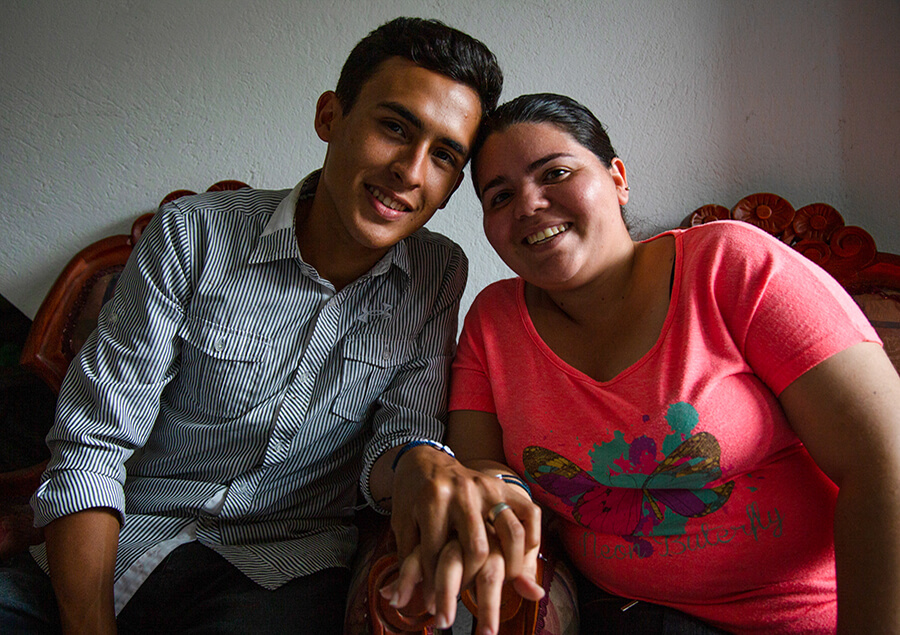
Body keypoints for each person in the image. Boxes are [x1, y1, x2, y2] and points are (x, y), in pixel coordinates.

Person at [0, 17, 507, 634]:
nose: (411, 170)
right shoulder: (194, 234)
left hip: (279, 572)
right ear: (330, 117)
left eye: (445, 156)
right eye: (394, 127)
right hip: (112, 547)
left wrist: (421, 461)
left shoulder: (437, 273)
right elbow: (91, 448)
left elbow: (397, 438)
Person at [435, 93, 900, 633]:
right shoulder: (492, 322)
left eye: (555, 173)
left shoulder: (730, 265)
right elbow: (483, 469)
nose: (529, 205)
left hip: (810, 613)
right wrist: (498, 509)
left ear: (617, 178)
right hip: (623, 613)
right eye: (500, 196)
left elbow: (883, 456)